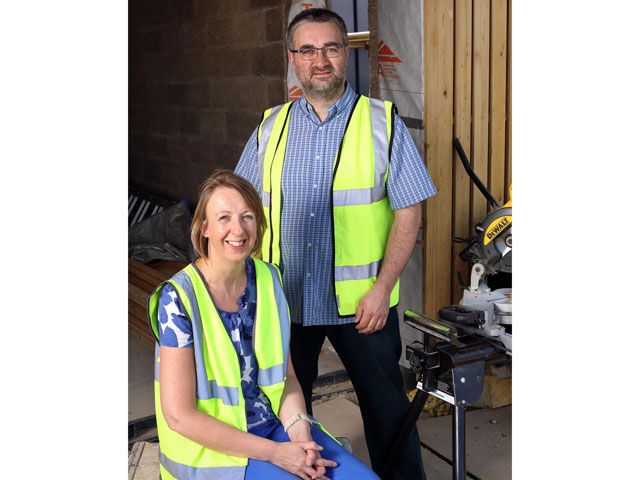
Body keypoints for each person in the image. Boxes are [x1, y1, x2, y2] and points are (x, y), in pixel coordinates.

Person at [235, 8, 437, 480]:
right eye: (307, 50)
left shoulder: (382, 121)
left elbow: (410, 211)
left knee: (389, 418)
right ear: (293, 60)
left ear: (344, 54)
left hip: (361, 308)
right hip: (284, 306)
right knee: (282, 419)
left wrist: (381, 287)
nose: (319, 60)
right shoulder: (270, 127)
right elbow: (241, 208)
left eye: (329, 48)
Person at [148, 170, 380, 480]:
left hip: (274, 428)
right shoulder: (178, 299)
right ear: (203, 227)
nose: (238, 229)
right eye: (224, 218)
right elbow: (179, 417)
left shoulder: (269, 280)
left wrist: (301, 438)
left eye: (247, 217)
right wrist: (278, 455)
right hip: (213, 452)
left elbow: (287, 378)